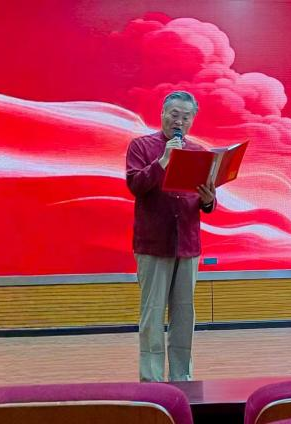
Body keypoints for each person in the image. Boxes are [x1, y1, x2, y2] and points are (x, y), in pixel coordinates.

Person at [125, 91, 216, 381]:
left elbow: (205, 203)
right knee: (152, 315)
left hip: (187, 245)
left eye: (186, 117)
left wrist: (208, 199)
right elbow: (136, 186)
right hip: (154, 244)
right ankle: (151, 380)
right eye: (174, 114)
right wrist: (163, 161)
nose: (179, 121)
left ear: (193, 120)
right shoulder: (141, 146)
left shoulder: (199, 153)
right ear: (162, 114)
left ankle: (182, 379)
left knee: (184, 316)